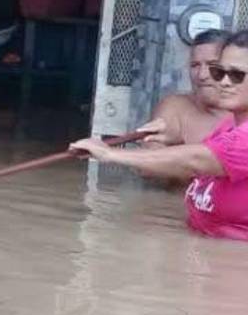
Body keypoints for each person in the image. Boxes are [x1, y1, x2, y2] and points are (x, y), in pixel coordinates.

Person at [70, 29, 248, 241]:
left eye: (237, 75)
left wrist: (109, 154)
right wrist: (167, 139)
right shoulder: (229, 124)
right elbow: (205, 153)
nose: (224, 82)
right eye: (220, 72)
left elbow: (196, 160)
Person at [143, 28, 230, 148]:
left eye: (212, 65)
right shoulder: (175, 107)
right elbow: (151, 159)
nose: (202, 75)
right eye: (195, 65)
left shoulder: (243, 114)